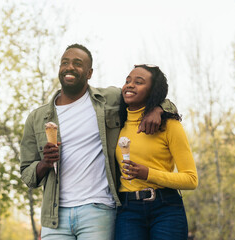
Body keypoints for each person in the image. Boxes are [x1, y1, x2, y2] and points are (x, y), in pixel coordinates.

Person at [20, 44, 177, 239]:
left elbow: (152, 95)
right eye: (65, 63)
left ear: (89, 73)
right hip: (55, 216)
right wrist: (45, 163)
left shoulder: (109, 99)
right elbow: (27, 174)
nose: (69, 67)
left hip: (98, 209)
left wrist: (158, 109)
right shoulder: (37, 118)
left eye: (77, 63)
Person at [115, 64, 198, 240]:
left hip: (166, 208)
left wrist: (148, 174)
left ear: (153, 91)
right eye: (127, 81)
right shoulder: (115, 124)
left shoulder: (169, 125)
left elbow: (191, 179)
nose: (130, 85)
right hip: (127, 210)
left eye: (139, 82)